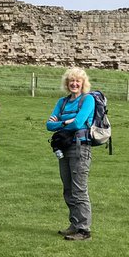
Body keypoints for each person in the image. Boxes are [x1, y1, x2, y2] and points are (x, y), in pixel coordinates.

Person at [46, 67, 95, 241]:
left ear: (83, 84)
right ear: (67, 84)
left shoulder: (88, 100)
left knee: (79, 189)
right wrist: (67, 121)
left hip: (80, 148)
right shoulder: (62, 102)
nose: (74, 84)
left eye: (78, 81)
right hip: (64, 148)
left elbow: (79, 123)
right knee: (68, 189)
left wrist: (60, 121)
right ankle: (74, 225)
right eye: (71, 81)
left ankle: (84, 230)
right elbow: (48, 125)